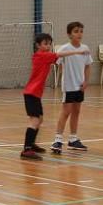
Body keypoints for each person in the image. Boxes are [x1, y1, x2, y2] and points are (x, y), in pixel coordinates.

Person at [21, 33, 88, 160]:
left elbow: (57, 61)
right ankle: (26, 149)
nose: (48, 46)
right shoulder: (41, 55)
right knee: (34, 121)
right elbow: (59, 55)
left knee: (39, 119)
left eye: (49, 44)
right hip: (31, 93)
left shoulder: (44, 56)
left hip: (35, 94)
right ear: (38, 45)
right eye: (45, 44)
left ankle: (32, 144)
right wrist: (76, 51)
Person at [51, 22, 93, 154]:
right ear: (69, 34)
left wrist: (86, 81)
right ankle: (57, 140)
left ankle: (73, 139)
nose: (79, 34)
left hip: (79, 86)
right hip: (69, 86)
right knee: (66, 112)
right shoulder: (64, 48)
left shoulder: (85, 48)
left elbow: (87, 66)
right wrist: (66, 76)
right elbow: (57, 63)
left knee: (77, 111)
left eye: (81, 31)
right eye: (76, 31)